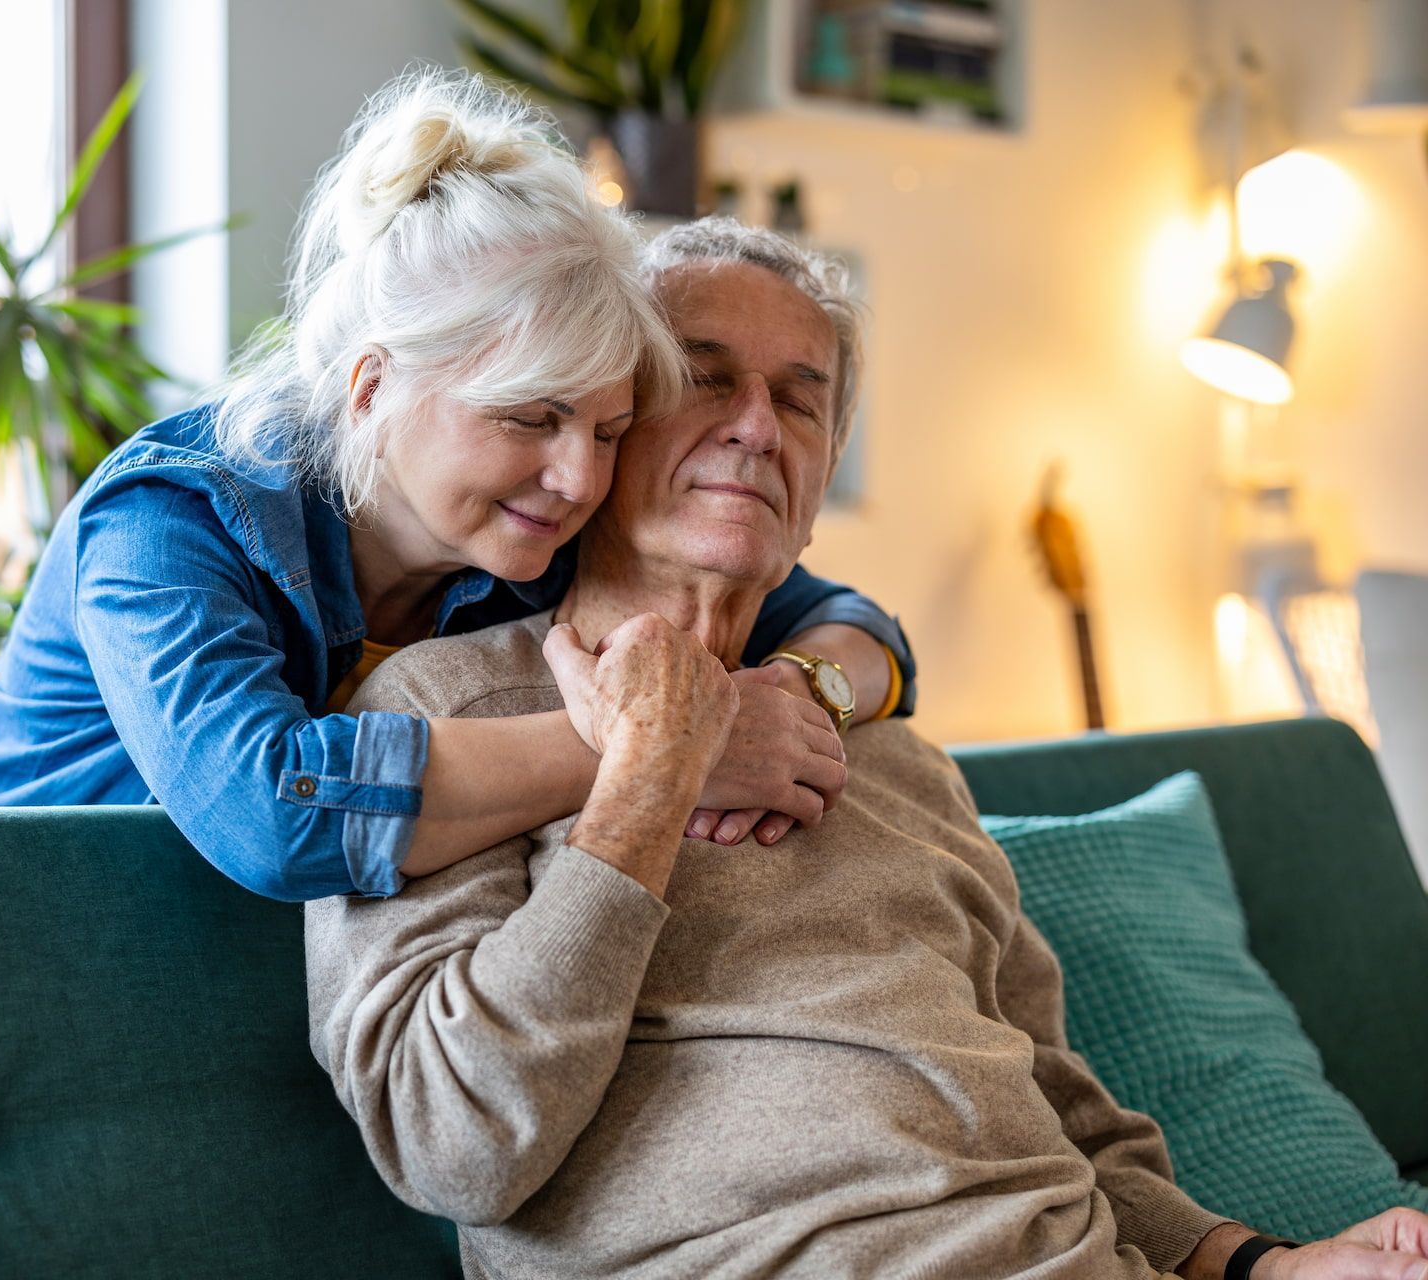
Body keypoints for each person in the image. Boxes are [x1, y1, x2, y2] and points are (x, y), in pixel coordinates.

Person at [304, 218, 1428, 1279]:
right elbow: (454, 1147)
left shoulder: (894, 759)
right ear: (602, 429)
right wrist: (647, 779)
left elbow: (1061, 1099)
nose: (756, 425)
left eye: (802, 402)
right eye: (703, 379)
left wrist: (1259, 1259)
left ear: (817, 487)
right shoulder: (436, 724)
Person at [0, 71, 917, 901]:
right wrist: (667, 749)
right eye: (528, 417)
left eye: (608, 428)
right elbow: (274, 808)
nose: (579, 474)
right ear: (371, 387)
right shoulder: (170, 520)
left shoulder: (530, 536)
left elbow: (847, 620)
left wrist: (802, 690)